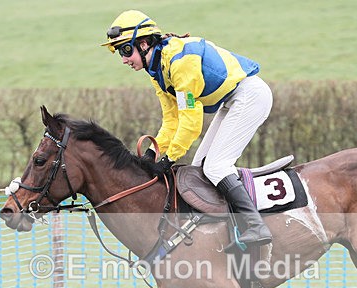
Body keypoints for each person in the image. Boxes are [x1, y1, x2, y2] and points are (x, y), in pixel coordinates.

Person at [101, 10, 273, 247]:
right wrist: (154, 151)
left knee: (216, 166)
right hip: (232, 101)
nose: (124, 59)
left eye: (125, 50)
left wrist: (169, 158)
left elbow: (191, 122)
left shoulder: (180, 62)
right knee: (199, 169)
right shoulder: (157, 70)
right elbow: (172, 120)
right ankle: (229, 230)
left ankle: (256, 225)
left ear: (143, 43)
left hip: (250, 96)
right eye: (121, 52)